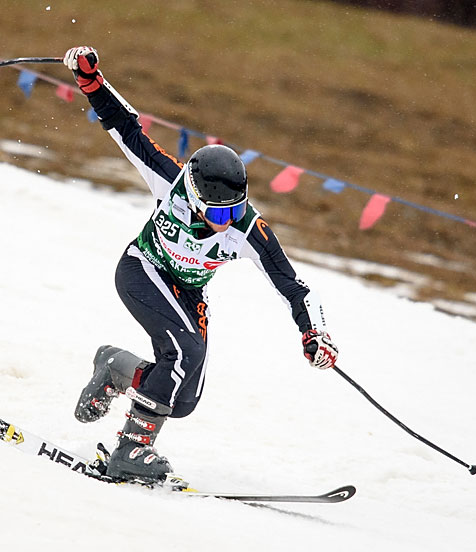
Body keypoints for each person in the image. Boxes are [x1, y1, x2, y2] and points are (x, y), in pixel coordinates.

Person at [64, 46, 339, 484]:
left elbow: (294, 287)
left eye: (234, 211)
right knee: (182, 352)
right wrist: (91, 81)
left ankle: (116, 368)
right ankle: (131, 451)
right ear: (193, 196)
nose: (224, 222)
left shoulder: (248, 230)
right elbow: (126, 128)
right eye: (217, 212)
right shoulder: (169, 180)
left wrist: (314, 333)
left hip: (187, 291)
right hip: (143, 269)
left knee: (184, 397)